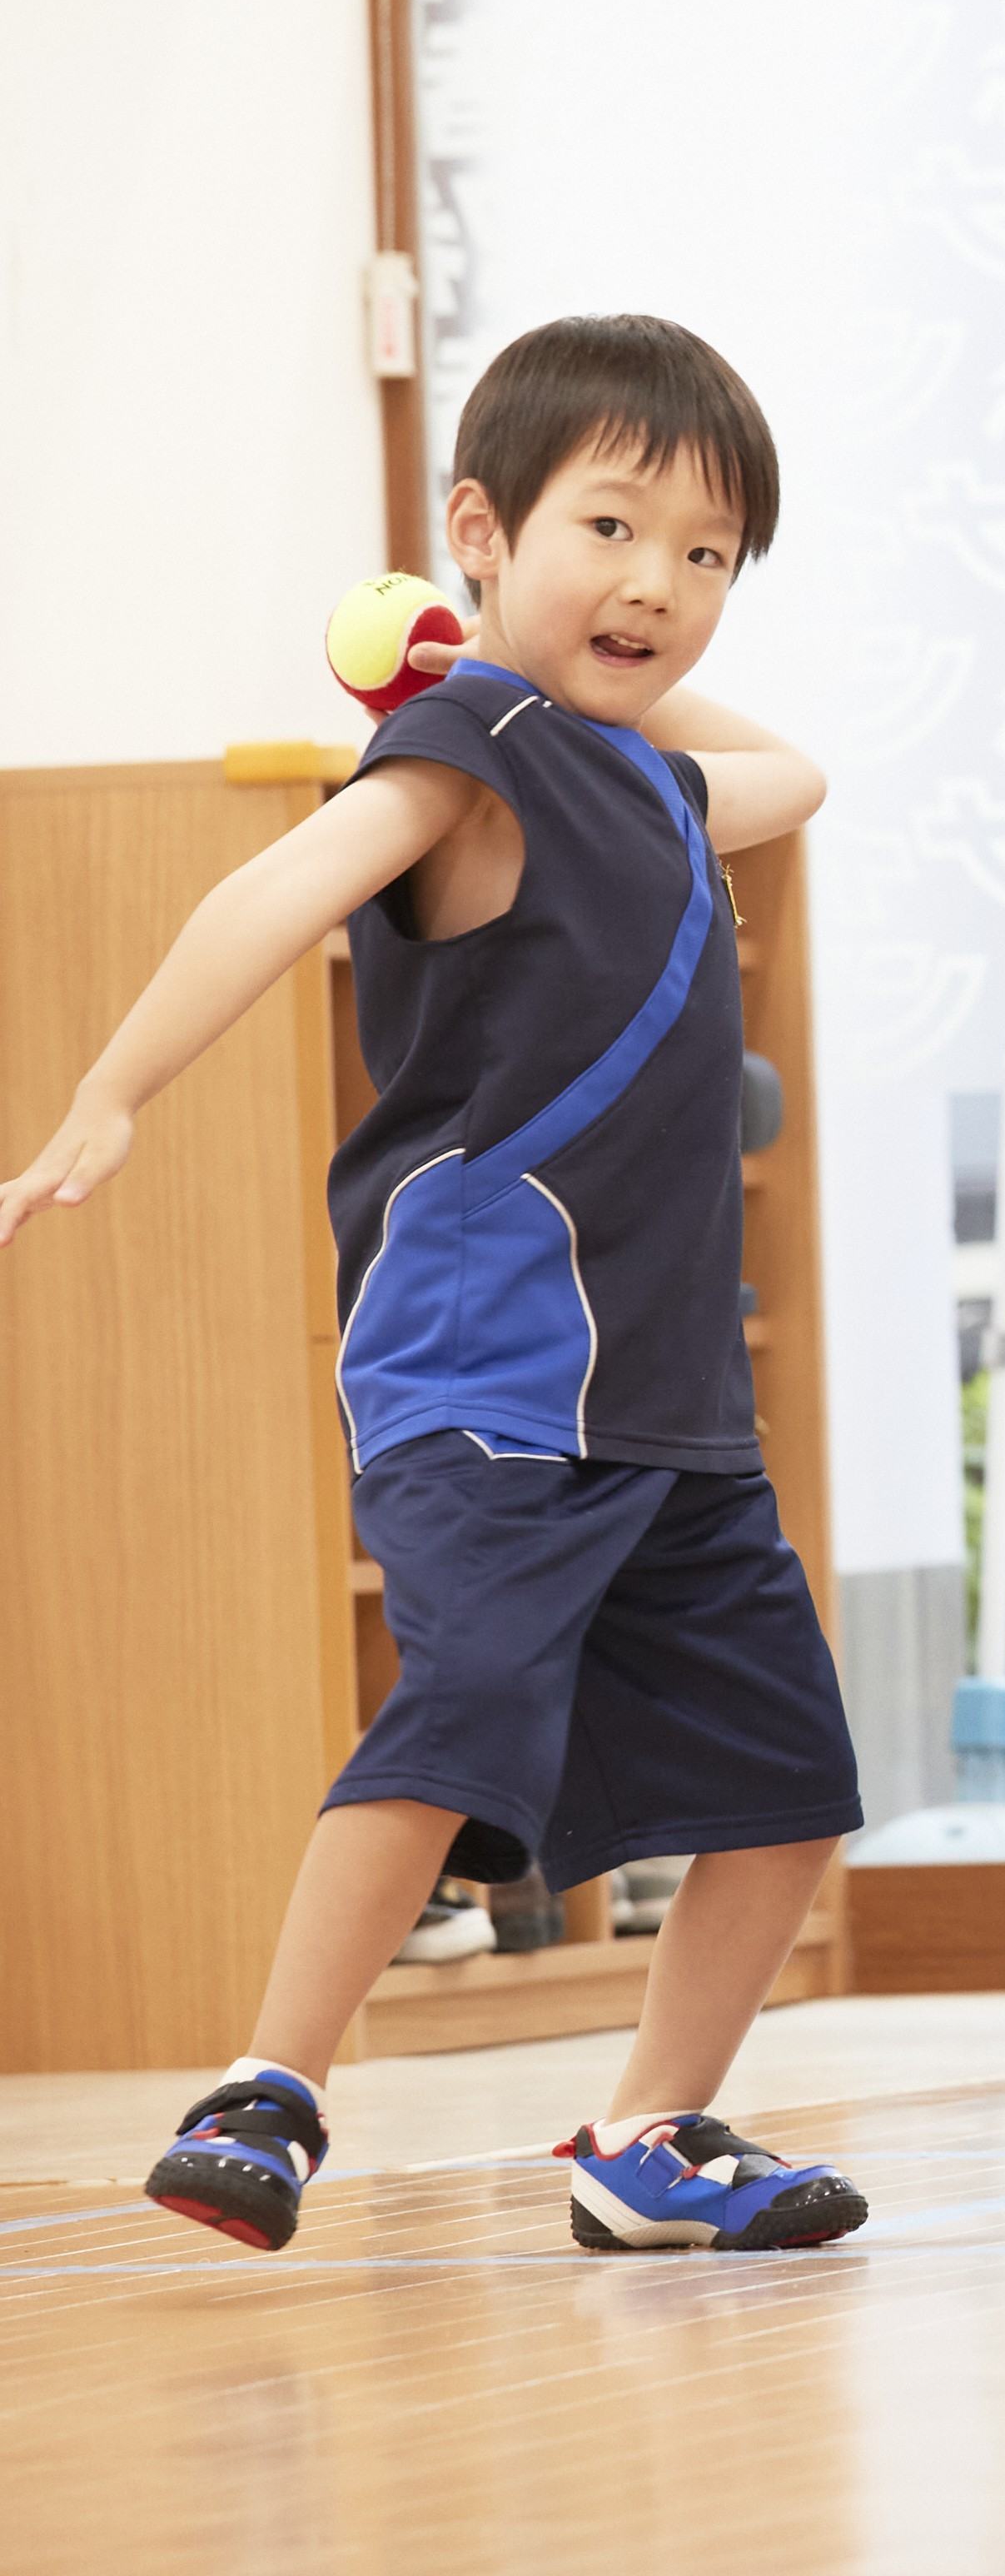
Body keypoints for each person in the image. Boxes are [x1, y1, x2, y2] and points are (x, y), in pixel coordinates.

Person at [0, 316, 866, 2256]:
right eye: (612, 524)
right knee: (468, 1695)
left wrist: (560, 653)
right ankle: (274, 2084)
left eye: (711, 553)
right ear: (479, 523)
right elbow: (275, 894)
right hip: (483, 1379)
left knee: (790, 1785)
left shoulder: (640, 782)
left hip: (665, 1406)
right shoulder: (461, 756)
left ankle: (653, 2138)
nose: (657, 583)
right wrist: (112, 1092)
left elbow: (794, 773)